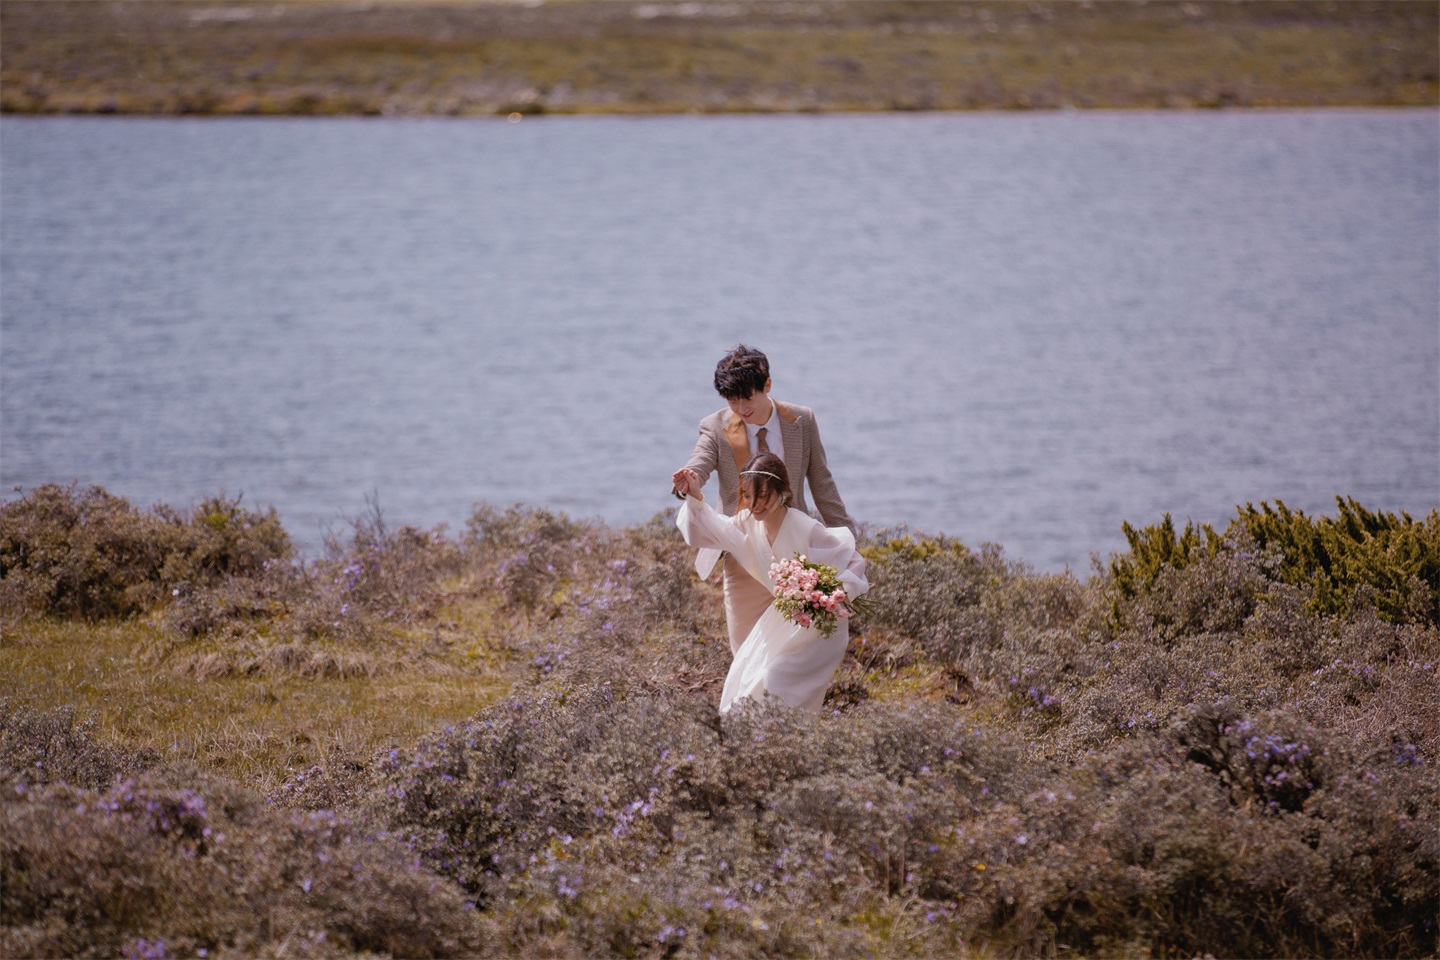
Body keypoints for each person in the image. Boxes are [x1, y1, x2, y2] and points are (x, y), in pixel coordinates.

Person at [673, 344, 855, 654]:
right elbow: (699, 462)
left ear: (767, 385)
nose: (740, 408)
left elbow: (822, 485)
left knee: (795, 653)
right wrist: (689, 482)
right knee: (746, 652)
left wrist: (849, 547)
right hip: (743, 557)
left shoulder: (802, 420)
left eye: (747, 398)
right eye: (732, 400)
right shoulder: (715, 427)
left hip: (798, 559)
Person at [673, 454, 868, 713]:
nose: (754, 505)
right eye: (747, 496)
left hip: (821, 628)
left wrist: (835, 593)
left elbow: (853, 559)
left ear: (782, 491)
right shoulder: (746, 523)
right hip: (782, 619)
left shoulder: (805, 527)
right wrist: (696, 495)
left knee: (772, 681)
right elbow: (712, 528)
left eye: (762, 496)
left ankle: (769, 734)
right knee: (745, 677)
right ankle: (761, 738)